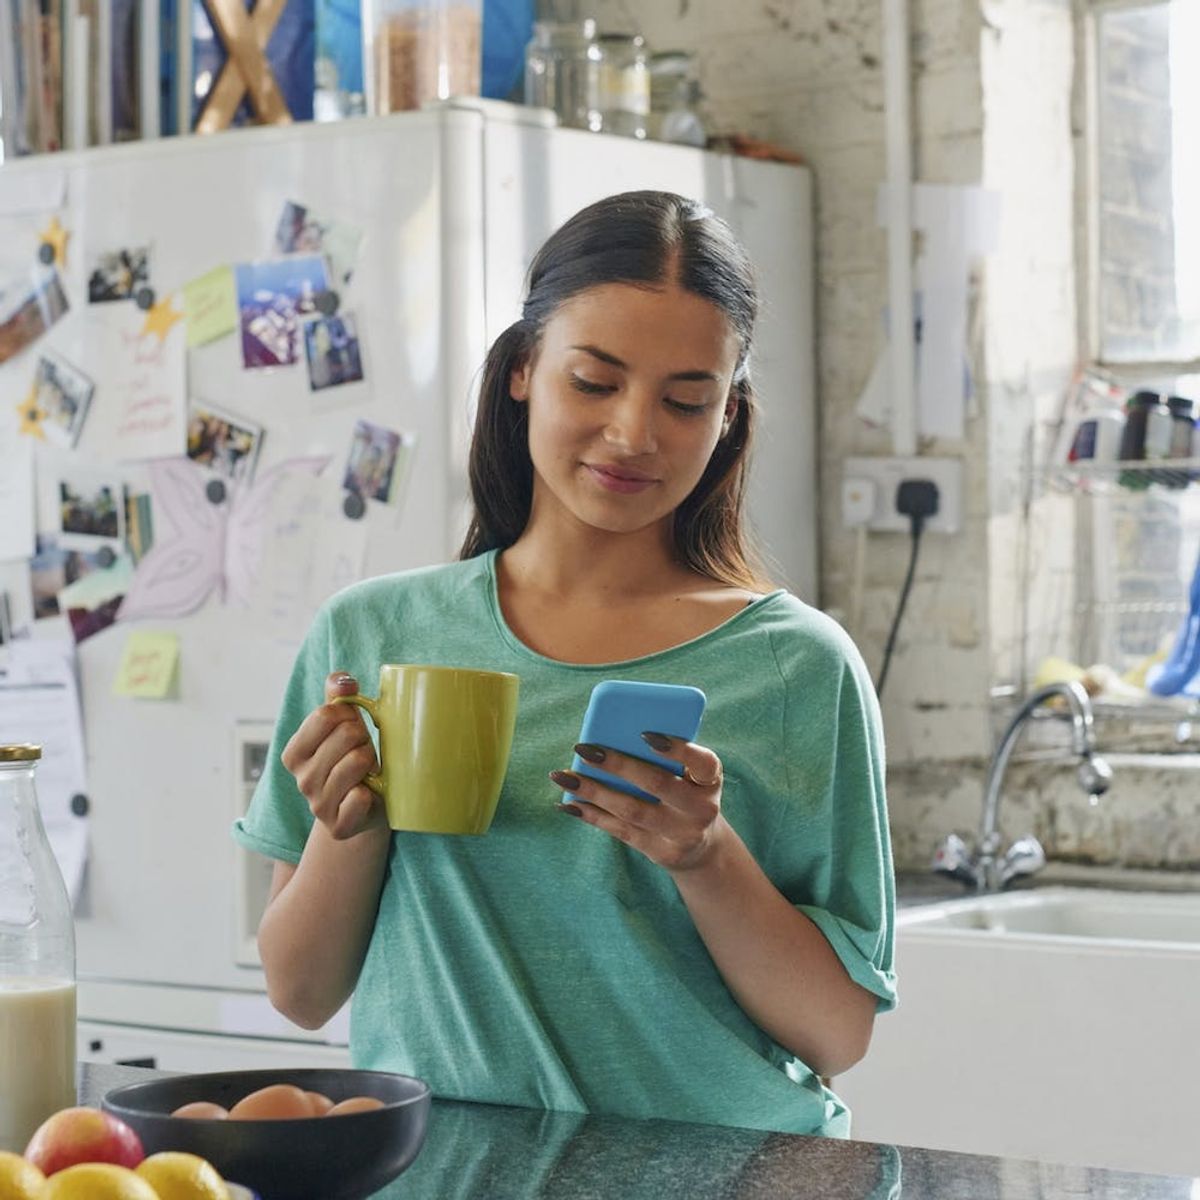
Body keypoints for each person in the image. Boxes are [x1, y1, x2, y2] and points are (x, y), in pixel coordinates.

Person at [233, 190, 895, 1136]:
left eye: (685, 401)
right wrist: (349, 823)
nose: (634, 434)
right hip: (448, 1172)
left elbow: (837, 1035)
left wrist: (704, 856)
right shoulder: (373, 635)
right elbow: (299, 991)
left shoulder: (796, 666)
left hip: (721, 1173)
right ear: (523, 371)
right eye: (594, 382)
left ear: (728, 418)